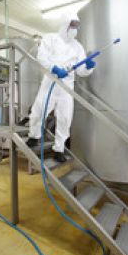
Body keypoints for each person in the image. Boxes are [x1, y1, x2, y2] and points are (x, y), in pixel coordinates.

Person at [26, 12, 96, 162]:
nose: (75, 29)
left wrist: (88, 67)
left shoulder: (78, 47)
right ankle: (34, 136)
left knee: (65, 118)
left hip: (66, 87)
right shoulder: (50, 38)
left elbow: (81, 71)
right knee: (39, 110)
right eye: (72, 25)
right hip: (50, 81)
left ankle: (59, 148)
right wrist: (55, 69)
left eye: (77, 26)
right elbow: (42, 57)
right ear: (65, 24)